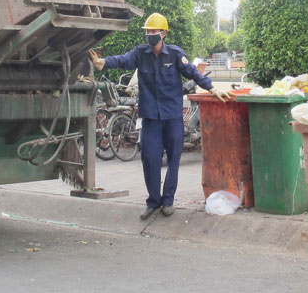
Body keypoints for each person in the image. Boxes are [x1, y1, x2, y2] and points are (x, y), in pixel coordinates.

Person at [89, 12, 231, 220]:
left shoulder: (174, 54)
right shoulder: (140, 53)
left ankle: (168, 201)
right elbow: (122, 60)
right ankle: (153, 200)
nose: (150, 35)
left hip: (172, 116)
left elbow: (193, 72)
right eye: (147, 31)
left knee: (174, 159)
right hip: (150, 118)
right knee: (150, 158)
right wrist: (102, 62)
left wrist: (211, 89)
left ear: (163, 33)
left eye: (154, 31)